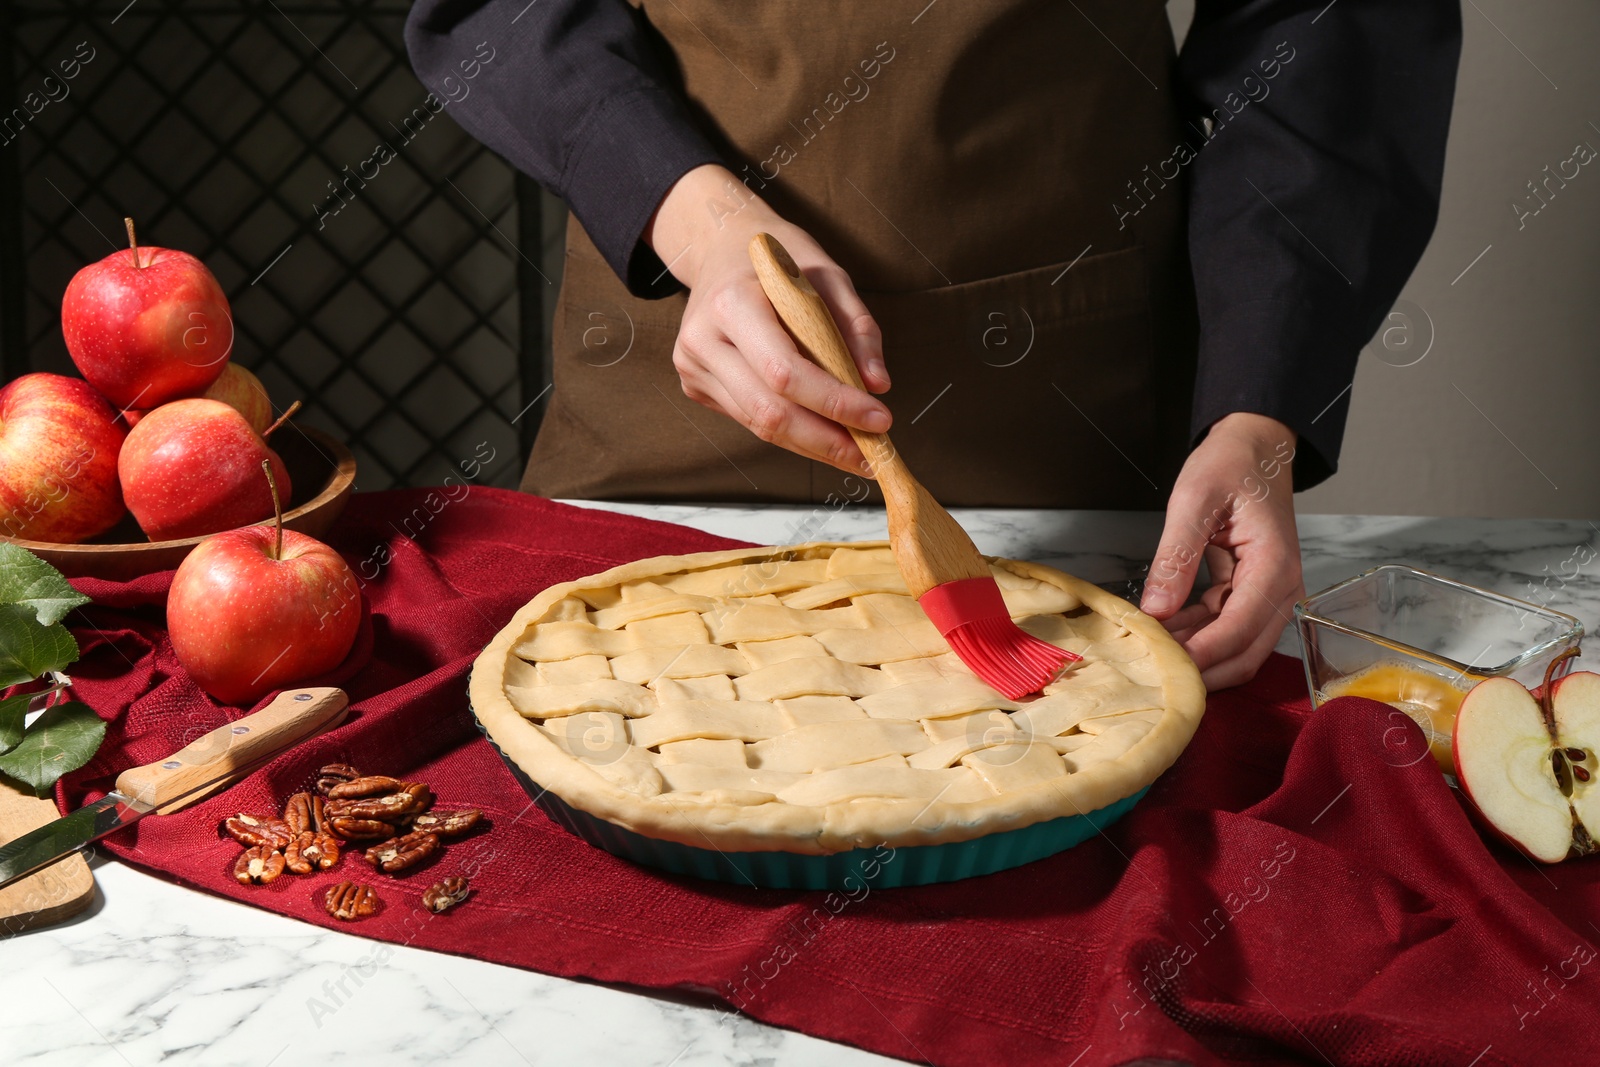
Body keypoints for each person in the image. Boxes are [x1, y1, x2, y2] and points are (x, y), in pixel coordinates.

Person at [406, 0, 1460, 689]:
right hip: (665, 414)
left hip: (1072, 445)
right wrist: (698, 225)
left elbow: (1329, 26)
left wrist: (1258, 406)